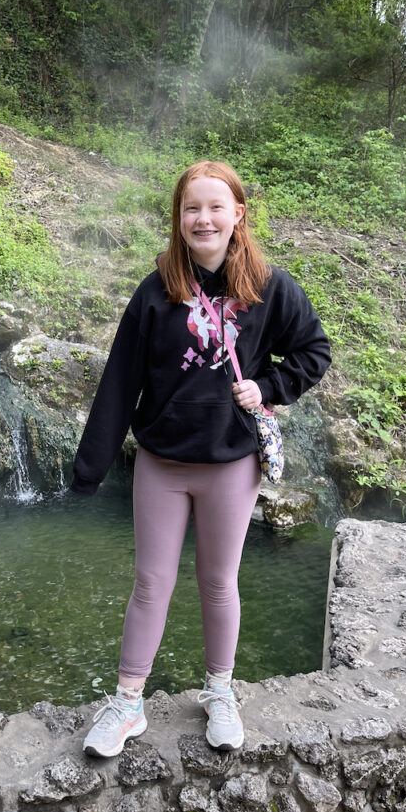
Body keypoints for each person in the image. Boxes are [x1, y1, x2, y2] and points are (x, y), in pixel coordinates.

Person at [70, 160, 331, 758]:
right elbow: (119, 382)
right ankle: (128, 703)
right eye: (192, 209)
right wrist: (91, 467)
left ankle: (219, 691)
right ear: (178, 219)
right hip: (162, 462)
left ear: (238, 214)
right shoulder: (157, 290)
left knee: (218, 583)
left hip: (231, 464)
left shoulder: (271, 287)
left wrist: (267, 388)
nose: (203, 218)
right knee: (150, 583)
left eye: (216, 207)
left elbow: (314, 352)